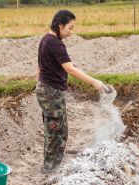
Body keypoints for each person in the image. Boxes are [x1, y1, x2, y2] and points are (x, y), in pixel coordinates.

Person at [35, 9, 106, 172]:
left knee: (55, 128)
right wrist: (94, 82)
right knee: (57, 131)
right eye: (70, 28)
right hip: (51, 92)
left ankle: (52, 165)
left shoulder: (46, 39)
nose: (71, 32)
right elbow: (70, 70)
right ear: (60, 25)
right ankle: (50, 168)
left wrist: (39, 85)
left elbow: (41, 66)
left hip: (45, 89)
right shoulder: (56, 44)